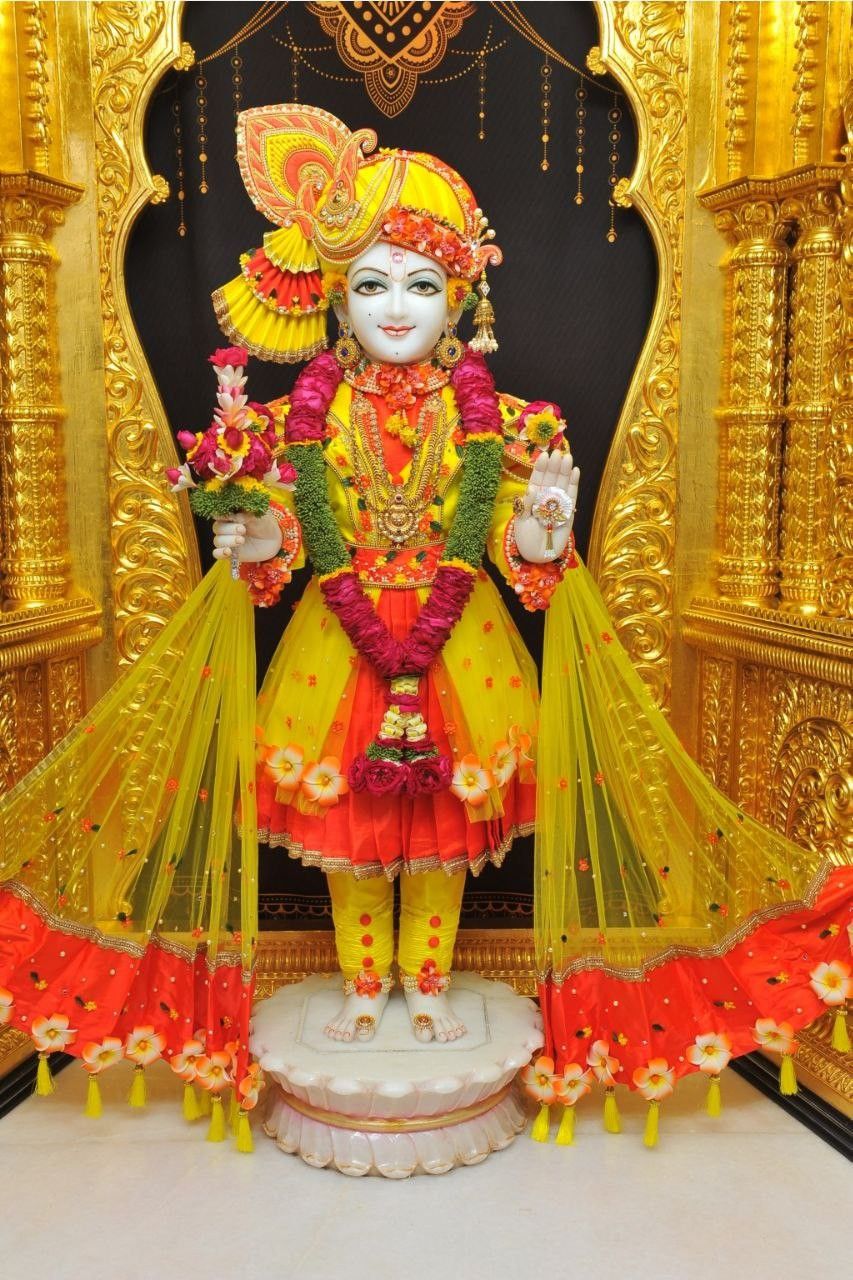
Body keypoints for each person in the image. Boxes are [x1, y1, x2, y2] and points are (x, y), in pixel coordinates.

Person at [211, 106, 579, 1044]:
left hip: (460, 643)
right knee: (353, 836)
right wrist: (254, 532)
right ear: (338, 302)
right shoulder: (310, 416)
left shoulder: (498, 418)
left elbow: (512, 536)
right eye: (370, 285)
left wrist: (540, 531)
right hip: (342, 637)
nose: (395, 308)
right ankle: (362, 983)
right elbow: (294, 520)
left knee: (442, 839)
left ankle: (426, 982)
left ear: (459, 301)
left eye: (421, 284)